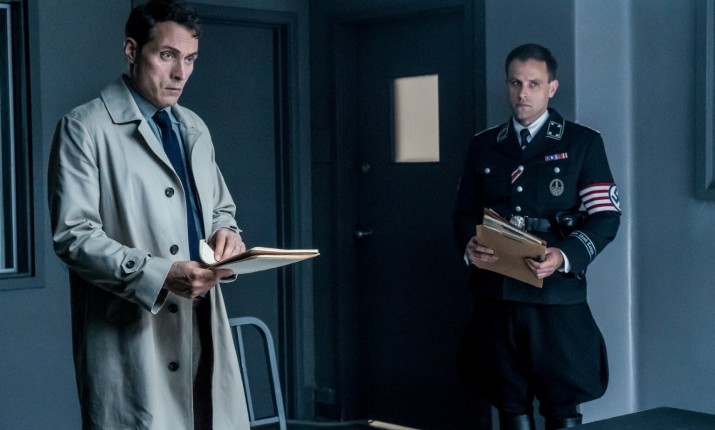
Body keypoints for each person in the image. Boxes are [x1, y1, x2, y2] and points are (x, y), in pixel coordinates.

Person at [47, 1, 249, 428]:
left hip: (202, 324)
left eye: (190, 59)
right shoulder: (83, 128)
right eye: (167, 55)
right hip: (132, 336)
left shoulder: (193, 126)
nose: (180, 73)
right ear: (131, 50)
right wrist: (160, 274)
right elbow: (73, 237)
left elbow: (220, 208)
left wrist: (227, 233)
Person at [453, 43, 621, 430]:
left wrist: (563, 256)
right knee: (507, 399)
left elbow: (605, 216)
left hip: (555, 296)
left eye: (533, 84)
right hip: (496, 294)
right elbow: (463, 212)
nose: (523, 93)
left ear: (552, 88)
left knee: (562, 403)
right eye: (515, 83)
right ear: (507, 85)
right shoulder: (484, 145)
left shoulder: (582, 143)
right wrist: (469, 245)